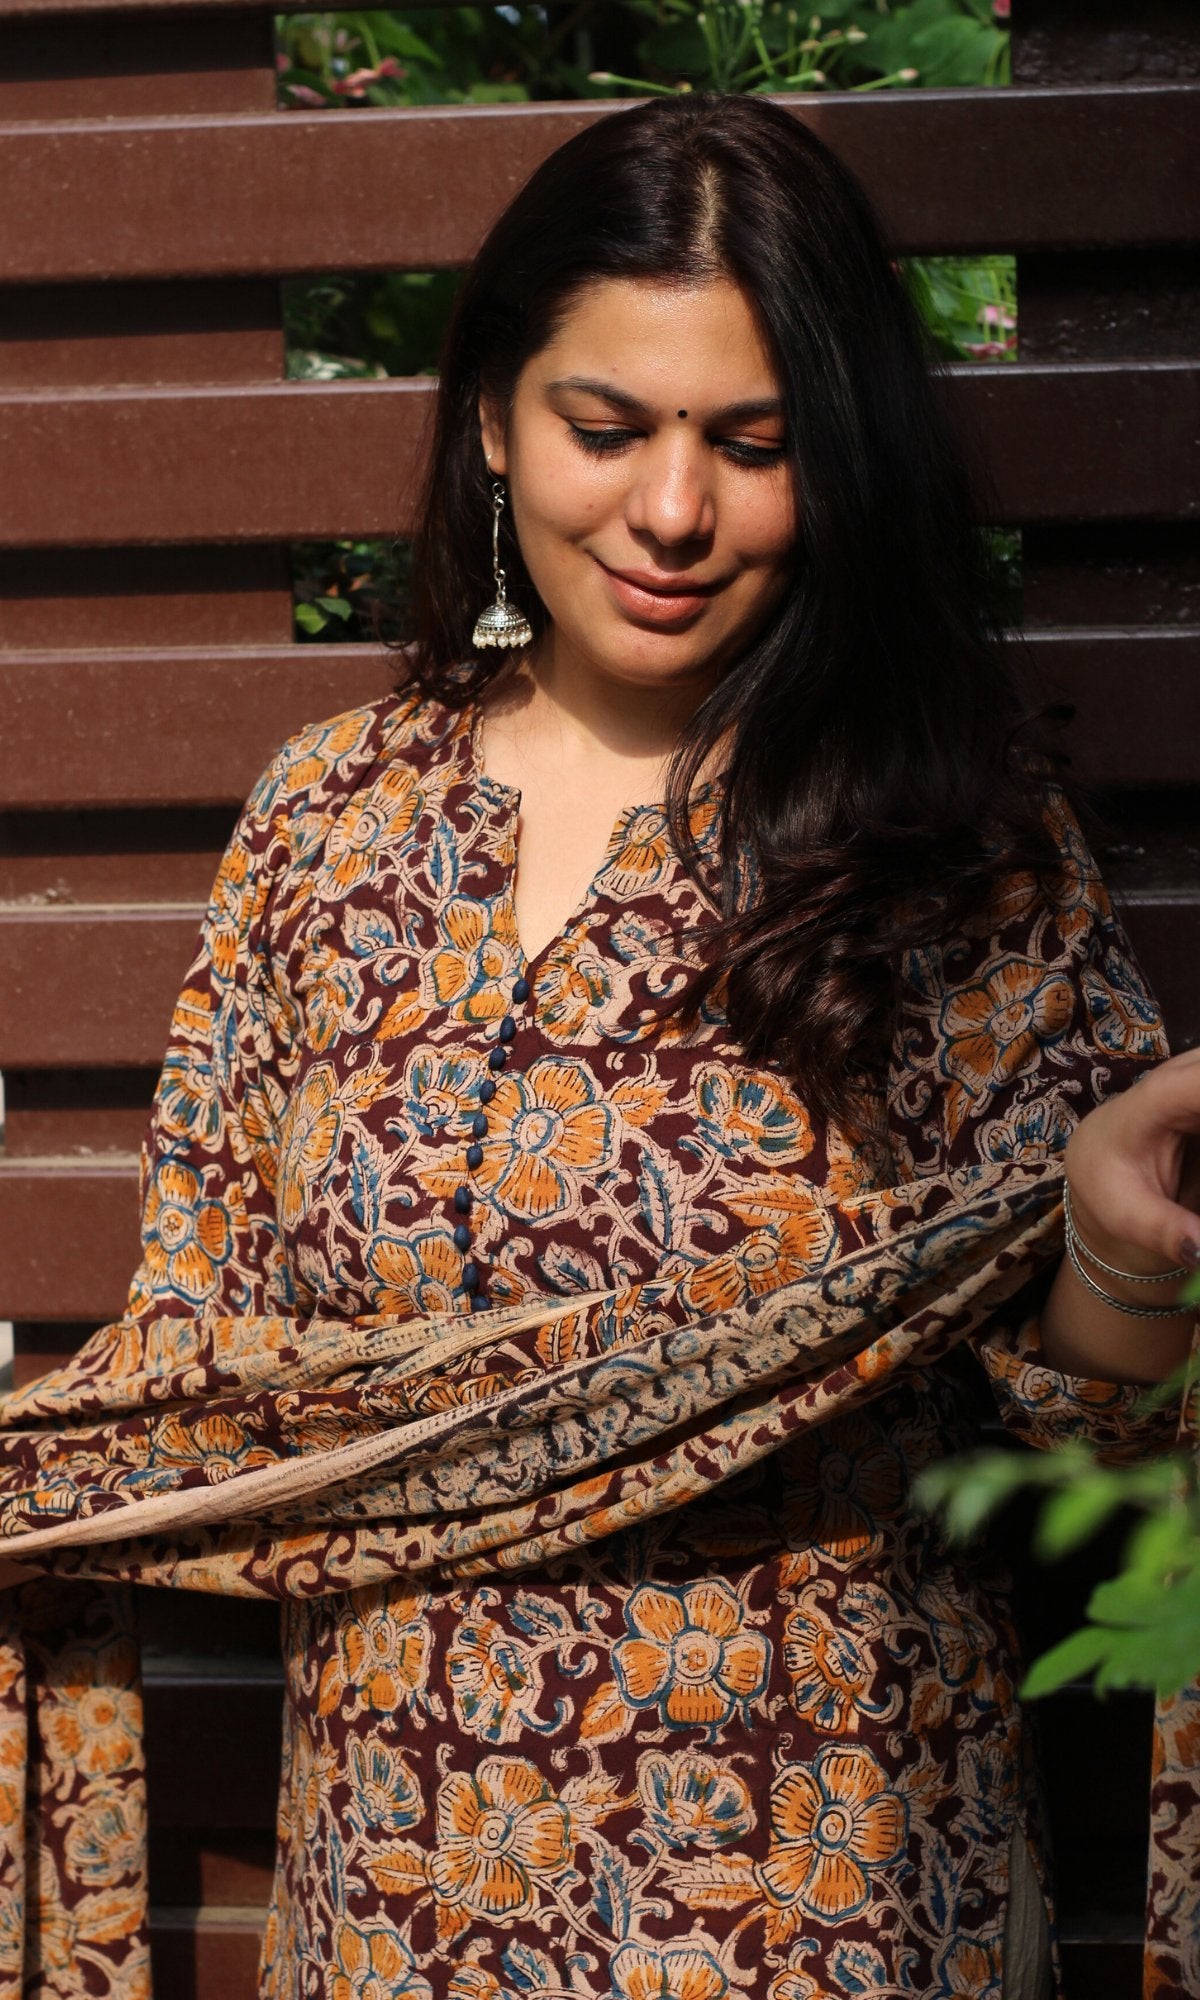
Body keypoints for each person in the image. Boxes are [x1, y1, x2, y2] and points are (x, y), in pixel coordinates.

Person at [1, 92, 1197, 2000]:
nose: (669, 511)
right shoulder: (331, 822)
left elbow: (1102, 1444)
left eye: (755, 444)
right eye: (608, 426)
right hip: (393, 1900)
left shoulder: (941, 830)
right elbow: (202, 1393)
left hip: (822, 1902)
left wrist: (1125, 1254)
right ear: (491, 416)